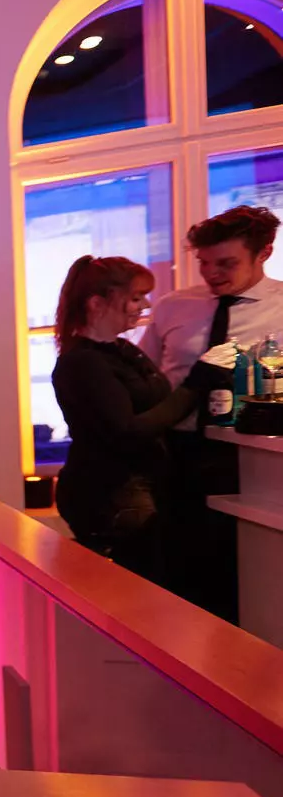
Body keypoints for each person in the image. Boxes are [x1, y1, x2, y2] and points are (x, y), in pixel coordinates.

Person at [137, 204, 283, 620]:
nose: (212, 273)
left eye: (227, 263)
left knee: (244, 573)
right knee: (177, 572)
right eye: (204, 263)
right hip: (174, 452)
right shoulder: (172, 306)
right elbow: (146, 379)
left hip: (251, 458)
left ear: (264, 253)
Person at [50, 255, 231, 581]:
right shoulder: (84, 364)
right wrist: (197, 382)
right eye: (135, 297)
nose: (145, 304)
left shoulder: (120, 350)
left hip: (136, 490)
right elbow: (129, 432)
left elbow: (157, 407)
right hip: (113, 495)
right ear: (97, 303)